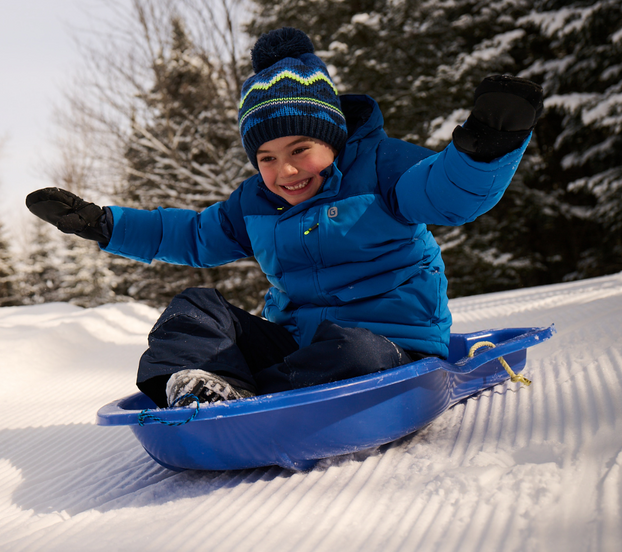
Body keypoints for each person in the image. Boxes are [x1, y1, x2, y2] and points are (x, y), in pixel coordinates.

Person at [27, 27, 543, 409]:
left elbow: (445, 193)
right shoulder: (254, 202)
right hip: (299, 348)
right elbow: (187, 235)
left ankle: (256, 397)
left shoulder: (383, 169)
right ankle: (195, 385)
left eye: (302, 148)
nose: (285, 170)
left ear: (334, 140)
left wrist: (482, 155)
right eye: (267, 158)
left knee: (353, 351)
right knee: (195, 307)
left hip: (391, 348)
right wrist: (103, 225)